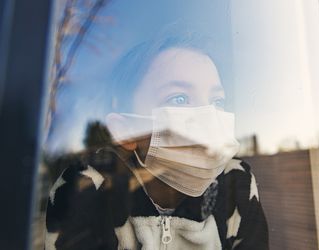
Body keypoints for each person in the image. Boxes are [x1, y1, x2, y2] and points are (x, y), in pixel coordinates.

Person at [45, 30, 269, 250]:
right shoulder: (86, 190)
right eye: (179, 98)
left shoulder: (236, 183)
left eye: (217, 102)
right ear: (126, 131)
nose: (208, 118)